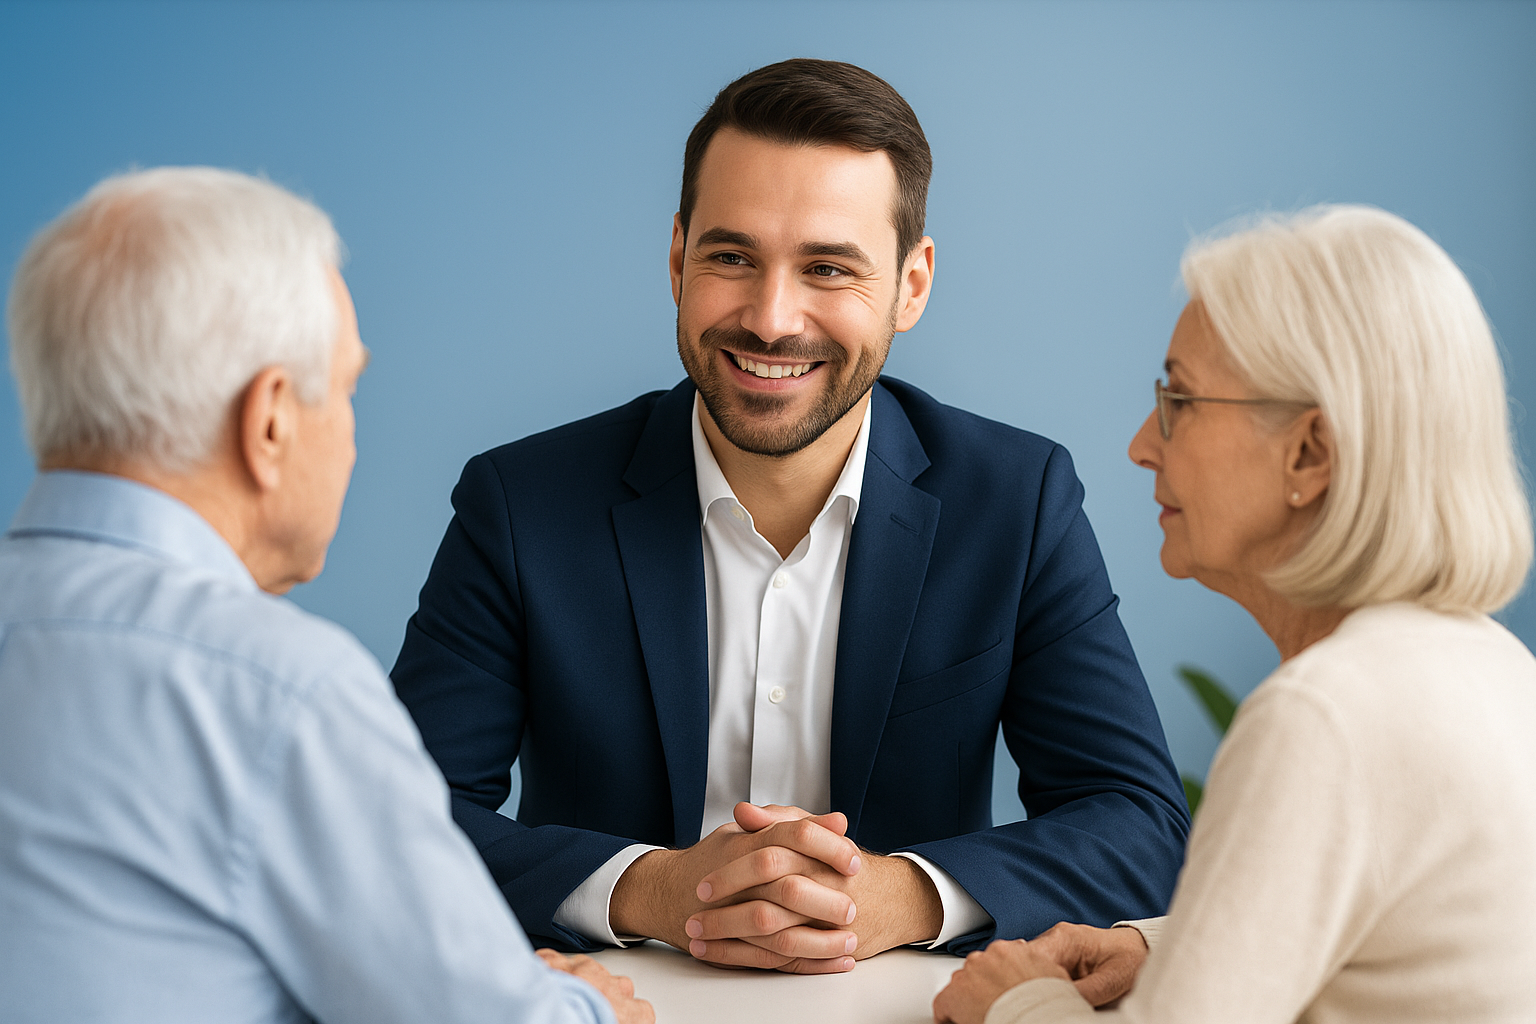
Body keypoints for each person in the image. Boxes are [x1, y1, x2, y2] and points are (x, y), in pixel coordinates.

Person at [391, 57, 1190, 974]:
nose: (771, 319)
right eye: (731, 257)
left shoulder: (1016, 499)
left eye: (828, 268)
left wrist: (901, 894)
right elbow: (394, 819)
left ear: (912, 285)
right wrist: (646, 889)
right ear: (676, 261)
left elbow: (1140, 823)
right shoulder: (521, 503)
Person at [0, 167, 650, 1024]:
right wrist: (586, 1009)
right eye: (345, 388)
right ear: (269, 420)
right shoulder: (272, 690)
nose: (349, 432)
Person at [932, 205, 1536, 1024]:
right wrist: (1162, 945)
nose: (1144, 442)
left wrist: (1017, 1003)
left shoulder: (1323, 716)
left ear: (1309, 454)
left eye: (1179, 399)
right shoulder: (1497, 669)